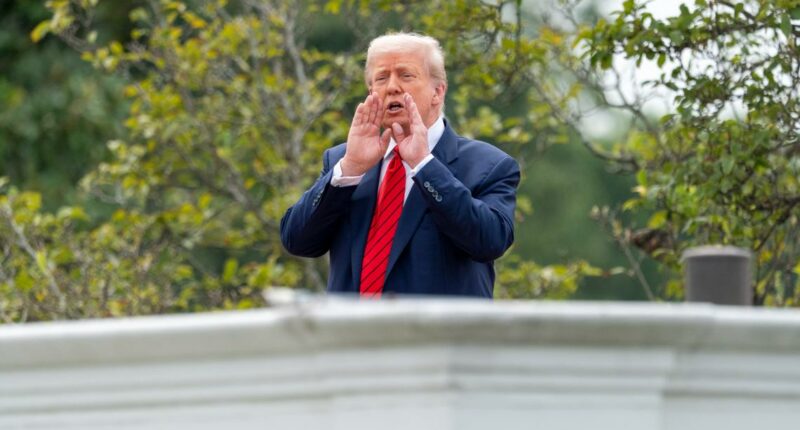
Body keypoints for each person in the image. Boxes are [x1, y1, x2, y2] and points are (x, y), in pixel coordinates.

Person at [280, 32, 520, 298]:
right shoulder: (344, 161)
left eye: (406, 75)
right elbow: (297, 241)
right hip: (353, 336)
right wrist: (350, 168)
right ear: (371, 93)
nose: (392, 87)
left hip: (437, 337)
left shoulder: (489, 165)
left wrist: (424, 165)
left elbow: (490, 241)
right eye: (381, 78)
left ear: (438, 92)